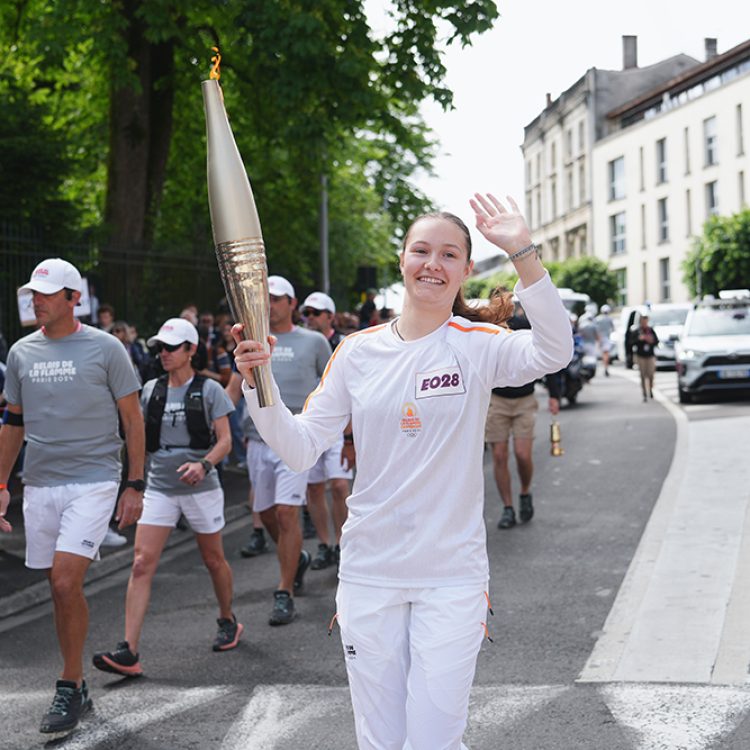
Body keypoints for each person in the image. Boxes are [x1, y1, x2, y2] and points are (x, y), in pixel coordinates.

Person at [232, 194, 572, 749]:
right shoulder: (357, 353)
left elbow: (555, 350)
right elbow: (299, 448)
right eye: (421, 250)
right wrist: (257, 384)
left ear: (465, 270)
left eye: (449, 254)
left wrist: (523, 253)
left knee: (434, 740)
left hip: (451, 578)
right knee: (382, 742)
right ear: (402, 259)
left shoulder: (478, 346)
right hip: (371, 576)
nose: (432, 264)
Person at [0, 258, 144, 734]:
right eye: (33, 294)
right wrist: (1, 485)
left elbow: (133, 420)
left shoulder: (106, 348)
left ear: (73, 298)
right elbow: (14, 424)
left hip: (95, 479)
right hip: (40, 483)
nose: (36, 300)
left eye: (46, 293)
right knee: (59, 589)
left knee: (65, 582)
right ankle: (77, 680)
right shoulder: (22, 353)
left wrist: (134, 484)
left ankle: (67, 684)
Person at [92, 318, 241, 678]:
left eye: (172, 347)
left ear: (191, 350)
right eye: (160, 347)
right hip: (159, 487)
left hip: (200, 486)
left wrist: (204, 465)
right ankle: (129, 650)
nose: (164, 353)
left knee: (213, 559)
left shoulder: (210, 390)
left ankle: (227, 619)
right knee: (141, 562)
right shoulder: (150, 390)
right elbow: (137, 439)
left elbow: (225, 440)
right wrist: (134, 483)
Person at [230, 276, 332, 625]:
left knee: (289, 514)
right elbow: (234, 385)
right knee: (268, 515)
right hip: (257, 440)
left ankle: (284, 590)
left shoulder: (314, 341)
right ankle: (296, 559)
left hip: (295, 435)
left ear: (292, 303)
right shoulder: (252, 340)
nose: (269, 304)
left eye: (276, 298)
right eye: (264, 298)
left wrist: (340, 438)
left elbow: (331, 388)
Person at [485, 300, 562, 529]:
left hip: (524, 401)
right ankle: (507, 508)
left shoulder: (524, 326)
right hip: (496, 401)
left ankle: (525, 492)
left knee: (522, 454)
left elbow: (547, 357)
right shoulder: (485, 332)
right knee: (499, 456)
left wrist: (554, 394)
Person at [300, 291, 353, 569]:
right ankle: (325, 544)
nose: (309, 318)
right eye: (306, 313)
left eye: (315, 313)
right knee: (314, 489)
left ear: (330, 316)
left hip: (339, 425)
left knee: (340, 485)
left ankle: (345, 546)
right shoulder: (301, 343)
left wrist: (350, 436)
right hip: (311, 424)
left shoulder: (345, 344)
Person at [633, 313, 659, 401]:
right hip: (641, 356)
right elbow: (631, 342)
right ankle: (644, 393)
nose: (644, 322)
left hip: (650, 355)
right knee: (642, 375)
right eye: (643, 321)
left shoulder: (650, 330)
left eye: (646, 321)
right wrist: (639, 339)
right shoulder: (637, 330)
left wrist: (651, 340)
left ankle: (650, 389)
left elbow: (656, 341)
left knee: (651, 374)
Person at [595, 304, 615, 376]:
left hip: (599, 338)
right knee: (606, 354)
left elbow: (595, 329)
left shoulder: (597, 319)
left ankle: (605, 367)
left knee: (603, 354)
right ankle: (606, 367)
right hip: (606, 338)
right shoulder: (609, 319)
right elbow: (613, 329)